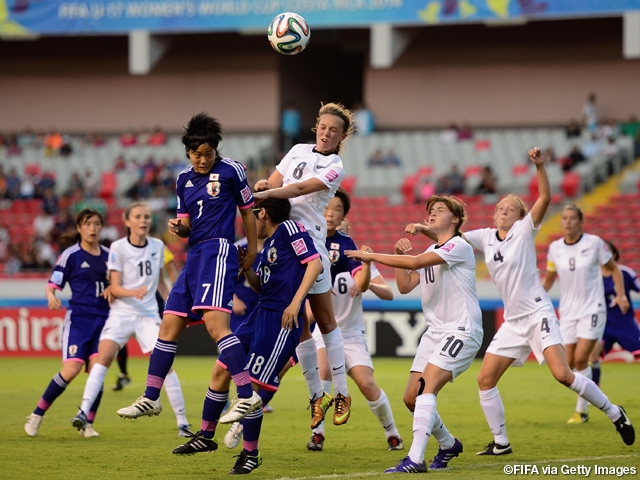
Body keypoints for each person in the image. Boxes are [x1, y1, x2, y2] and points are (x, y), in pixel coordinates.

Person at [404, 149, 634, 459]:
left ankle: (614, 411)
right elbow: (450, 237)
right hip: (512, 322)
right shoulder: (484, 237)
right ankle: (501, 442)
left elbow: (545, 199)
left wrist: (539, 166)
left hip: (538, 312)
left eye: (510, 208)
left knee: (562, 375)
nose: (503, 210)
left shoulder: (525, 230)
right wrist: (424, 230)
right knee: (485, 379)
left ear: (520, 216)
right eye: (500, 207)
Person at [117, 113, 262, 435]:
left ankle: (247, 395)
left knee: (215, 325)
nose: (202, 160)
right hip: (194, 253)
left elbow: (248, 212)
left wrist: (251, 251)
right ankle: (151, 397)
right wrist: (177, 227)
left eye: (208, 154)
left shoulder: (232, 170)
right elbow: (185, 224)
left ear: (216, 151)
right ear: (188, 152)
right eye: (197, 155)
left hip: (218, 250)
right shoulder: (183, 180)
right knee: (168, 324)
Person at [172, 197, 323, 474]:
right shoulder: (267, 247)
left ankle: (250, 454)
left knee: (250, 391)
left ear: (263, 212)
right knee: (221, 370)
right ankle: (205, 436)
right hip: (258, 314)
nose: (250, 222)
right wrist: (249, 268)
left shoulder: (291, 229)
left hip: (281, 320)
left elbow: (314, 265)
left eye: (253, 215)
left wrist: (295, 302)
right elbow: (259, 287)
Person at [346, 195, 482, 473]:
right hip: (435, 333)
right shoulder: (435, 250)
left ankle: (415, 459)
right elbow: (406, 286)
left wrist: (370, 256)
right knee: (411, 397)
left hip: (461, 329)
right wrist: (398, 255)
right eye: (430, 210)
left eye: (440, 210)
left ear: (455, 219)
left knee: (426, 388)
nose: (432, 213)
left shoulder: (459, 246)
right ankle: (448, 444)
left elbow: (414, 264)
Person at [254, 102, 355, 428]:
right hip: (283, 245)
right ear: (316, 127)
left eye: (334, 130)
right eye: (323, 127)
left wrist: (267, 193)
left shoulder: (335, 165)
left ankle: (341, 392)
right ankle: (317, 398)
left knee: (325, 321)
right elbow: (273, 182)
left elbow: (298, 188)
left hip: (310, 246)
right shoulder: (297, 149)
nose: (326, 133)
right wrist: (261, 188)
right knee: (298, 328)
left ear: (341, 136)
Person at [71, 202, 190, 436]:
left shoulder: (158, 246)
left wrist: (175, 310)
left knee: (165, 366)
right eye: (138, 217)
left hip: (147, 316)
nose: (144, 220)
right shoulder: (117, 247)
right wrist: (131, 292)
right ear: (127, 222)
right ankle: (83, 412)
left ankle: (183, 423)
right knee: (103, 356)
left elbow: (165, 282)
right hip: (122, 313)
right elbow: (114, 286)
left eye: (147, 217)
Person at [308, 188, 402, 452]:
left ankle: (392, 433)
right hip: (325, 331)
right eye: (330, 210)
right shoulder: (314, 245)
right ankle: (318, 434)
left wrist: (368, 270)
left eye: (338, 212)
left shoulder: (353, 254)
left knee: (366, 383)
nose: (333, 216)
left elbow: (383, 292)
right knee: (323, 373)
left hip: (351, 335)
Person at [24, 209, 111, 438]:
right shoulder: (71, 255)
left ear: (101, 228)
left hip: (104, 321)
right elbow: (53, 283)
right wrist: (51, 295)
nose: (92, 228)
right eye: (87, 224)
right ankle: (37, 415)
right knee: (71, 370)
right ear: (79, 228)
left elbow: (119, 285)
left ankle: (87, 424)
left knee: (97, 371)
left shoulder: (110, 256)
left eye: (96, 224)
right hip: (80, 320)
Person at [543, 204, 631, 426]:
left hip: (592, 308)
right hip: (568, 311)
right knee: (569, 364)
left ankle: (581, 411)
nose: (568, 222)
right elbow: (550, 278)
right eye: (564, 218)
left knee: (582, 359)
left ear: (580, 222)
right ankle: (590, 403)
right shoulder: (555, 248)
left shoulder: (594, 243)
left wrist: (621, 295)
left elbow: (615, 269)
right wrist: (535, 296)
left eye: (572, 218)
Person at [112, 243, 181, 391]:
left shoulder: (159, 247)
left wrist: (176, 300)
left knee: (157, 347)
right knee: (115, 343)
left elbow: (171, 274)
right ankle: (124, 373)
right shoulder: (122, 247)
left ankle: (163, 381)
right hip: (130, 302)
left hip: (153, 303)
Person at [589, 240, 640, 385]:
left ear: (613, 254)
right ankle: (594, 391)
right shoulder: (593, 276)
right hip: (603, 323)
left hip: (625, 322)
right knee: (593, 353)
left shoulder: (624, 272)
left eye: (607, 251)